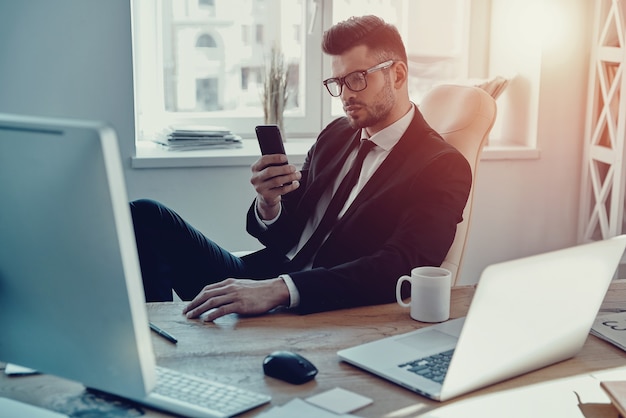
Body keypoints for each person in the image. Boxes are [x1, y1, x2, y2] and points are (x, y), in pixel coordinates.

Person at [131, 15, 471, 321]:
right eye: (337, 82)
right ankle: (152, 340)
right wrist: (270, 204)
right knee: (146, 217)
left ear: (397, 74)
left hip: (320, 301)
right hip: (264, 275)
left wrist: (283, 289)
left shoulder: (441, 165)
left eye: (356, 78)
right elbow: (289, 232)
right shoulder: (337, 134)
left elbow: (402, 265)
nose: (345, 96)